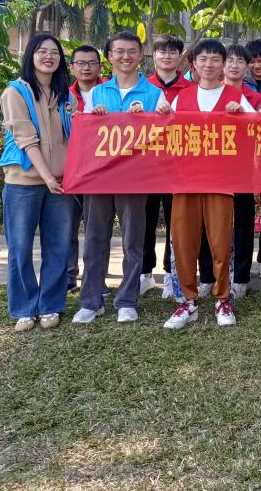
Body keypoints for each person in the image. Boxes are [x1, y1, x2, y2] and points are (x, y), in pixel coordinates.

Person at [73, 31, 168, 325]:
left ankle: (127, 300)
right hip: (99, 177)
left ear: (141, 56)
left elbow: (164, 135)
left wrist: (158, 116)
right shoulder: (96, 93)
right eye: (119, 52)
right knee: (95, 239)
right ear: (110, 57)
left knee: (133, 241)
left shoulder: (154, 94)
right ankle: (91, 301)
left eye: (132, 51)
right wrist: (94, 117)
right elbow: (85, 136)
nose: (125, 57)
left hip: (134, 179)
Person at [163, 38, 257, 330]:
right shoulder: (181, 98)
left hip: (220, 181)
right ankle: (188, 301)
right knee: (183, 241)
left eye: (215, 59)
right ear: (193, 64)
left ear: (223, 64)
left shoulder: (235, 96)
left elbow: (256, 131)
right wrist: (160, 116)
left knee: (220, 242)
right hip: (185, 181)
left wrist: (242, 115)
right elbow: (164, 135)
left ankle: (222, 298)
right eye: (203, 59)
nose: (209, 64)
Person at [0, 33, 75, 331]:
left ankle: (50, 305)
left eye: (54, 52)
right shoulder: (15, 92)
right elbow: (26, 140)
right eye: (42, 51)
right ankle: (24, 308)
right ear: (30, 55)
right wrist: (47, 177)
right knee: (20, 247)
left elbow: (77, 137)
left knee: (58, 246)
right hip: (24, 182)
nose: (48, 57)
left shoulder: (65, 95)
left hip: (61, 183)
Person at [144, 34, 193, 297]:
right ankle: (144, 273)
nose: (167, 56)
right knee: (146, 219)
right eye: (162, 51)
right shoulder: (143, 88)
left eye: (173, 52)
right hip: (147, 166)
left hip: (178, 166)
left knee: (177, 223)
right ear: (154, 55)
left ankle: (171, 273)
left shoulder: (191, 89)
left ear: (180, 57)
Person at [224, 43, 261, 299]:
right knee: (214, 224)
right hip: (215, 170)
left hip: (245, 170)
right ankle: (212, 275)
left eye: (240, 61)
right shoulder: (209, 92)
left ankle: (240, 277)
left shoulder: (254, 98)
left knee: (243, 224)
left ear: (247, 66)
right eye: (230, 60)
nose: (235, 65)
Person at [66, 44, 104, 292]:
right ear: (72, 67)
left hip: (100, 172)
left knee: (96, 229)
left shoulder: (109, 92)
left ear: (100, 67)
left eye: (91, 63)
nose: (86, 68)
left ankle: (96, 279)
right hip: (69, 170)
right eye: (81, 63)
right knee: (67, 225)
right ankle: (69, 275)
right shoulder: (62, 95)